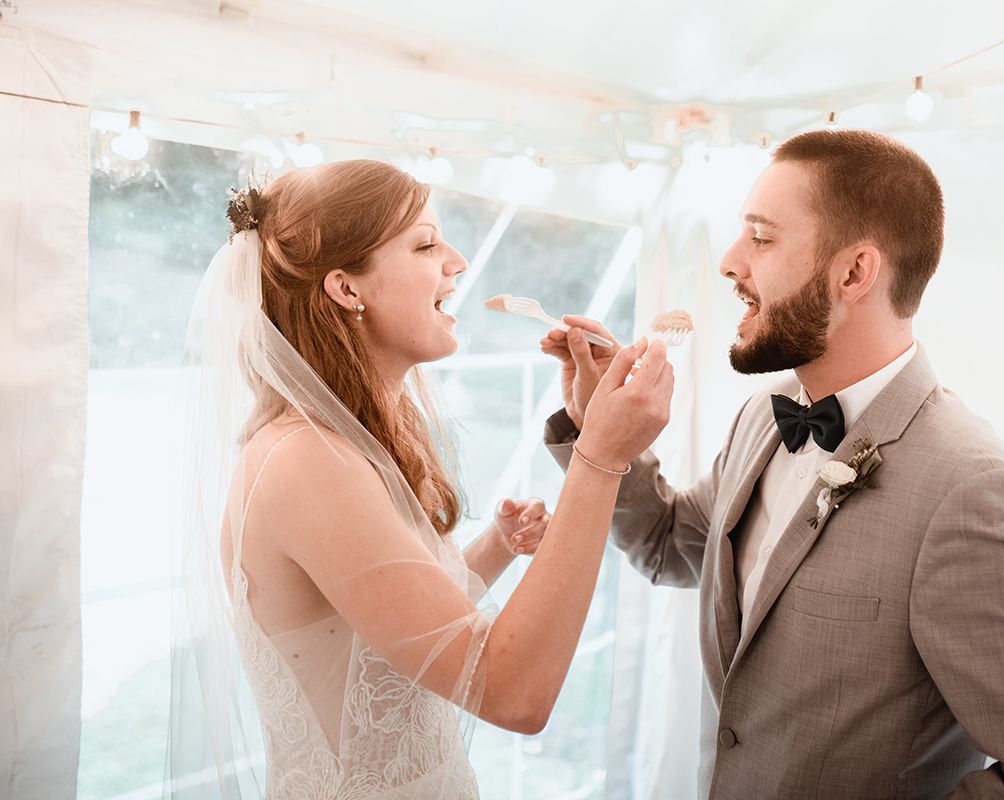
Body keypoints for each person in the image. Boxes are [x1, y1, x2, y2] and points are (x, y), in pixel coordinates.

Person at [541, 130, 1004, 798]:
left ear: (853, 273)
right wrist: (600, 428)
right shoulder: (764, 413)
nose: (729, 262)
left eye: (760, 237)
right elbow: (670, 546)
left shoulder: (971, 489)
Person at [176, 159, 674, 798]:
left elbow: (379, 633)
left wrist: (493, 549)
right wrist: (599, 454)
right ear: (346, 289)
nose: (459, 260)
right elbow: (514, 694)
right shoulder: (307, 461)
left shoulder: (340, 444)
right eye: (427, 243)